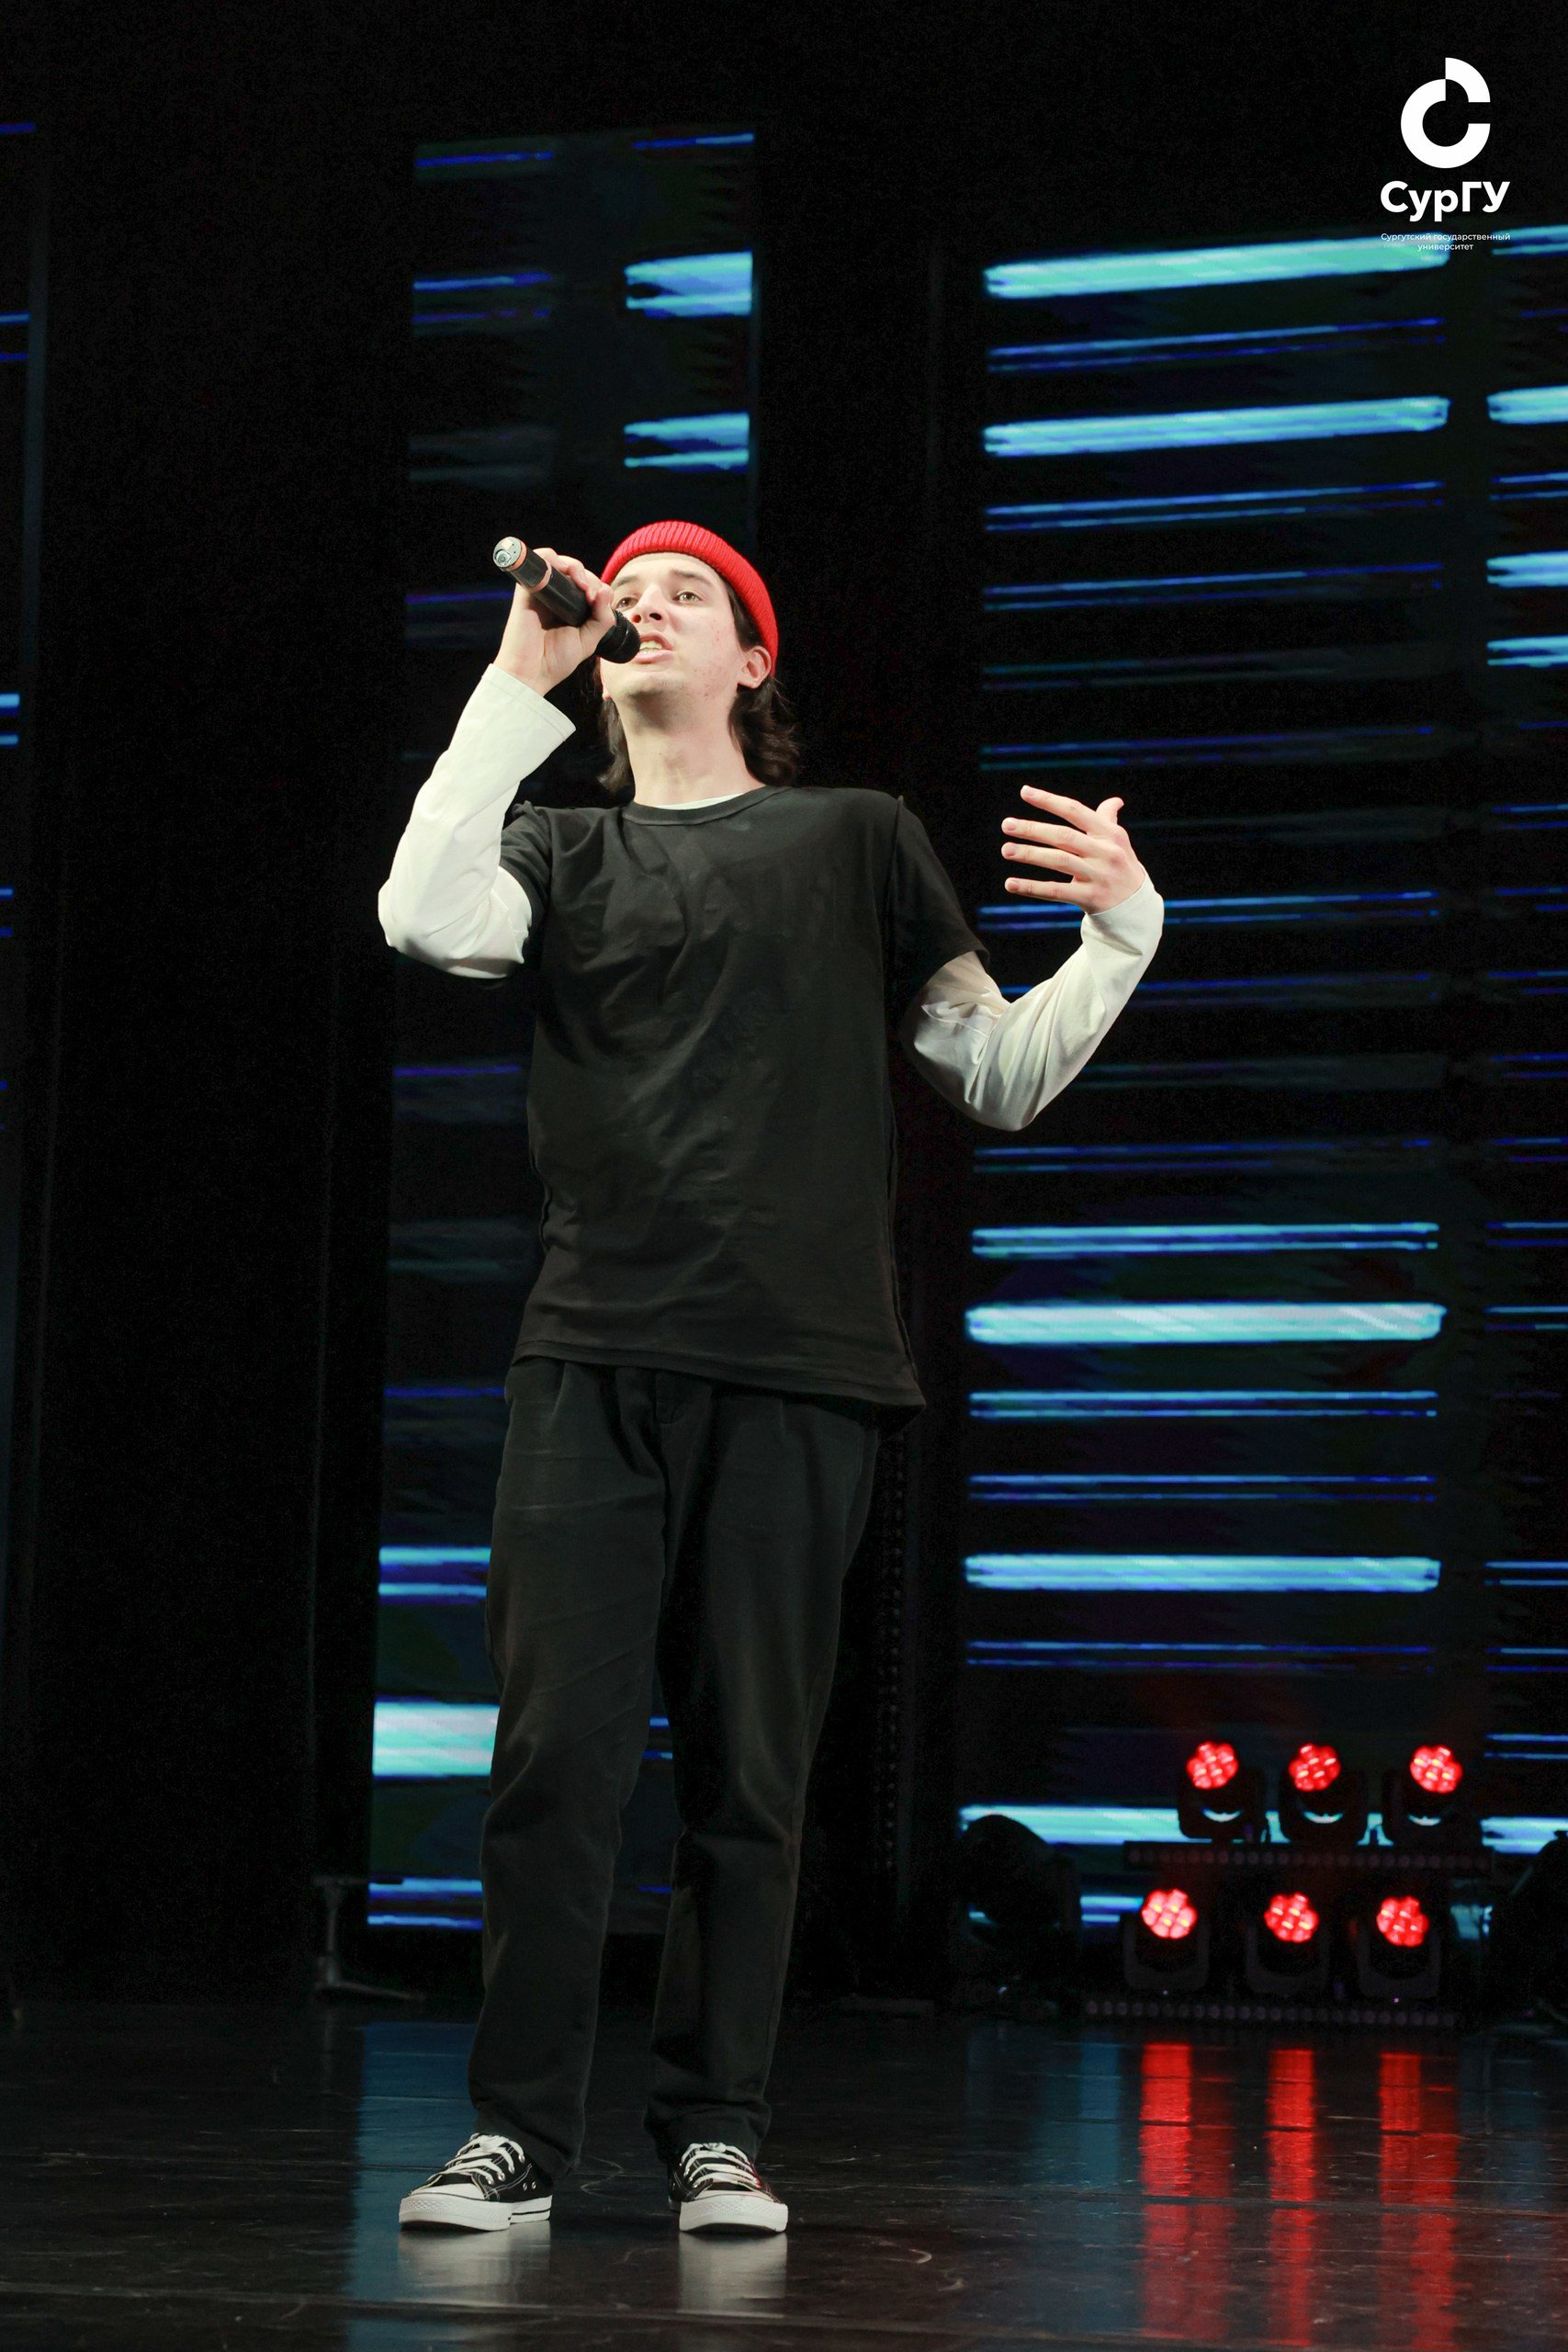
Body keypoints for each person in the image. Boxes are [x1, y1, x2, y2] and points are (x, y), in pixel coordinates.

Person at [378, 521, 1163, 2234]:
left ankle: (714, 2127)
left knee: (752, 1775)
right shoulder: (557, 845)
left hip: (798, 1365)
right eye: (630, 592)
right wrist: (519, 677)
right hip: (592, 1355)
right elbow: (420, 916)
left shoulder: (852, 836)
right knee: (556, 1760)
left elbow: (995, 1073)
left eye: (692, 594)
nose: (647, 605)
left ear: (754, 661)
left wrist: (1120, 939)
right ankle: (515, 2133)